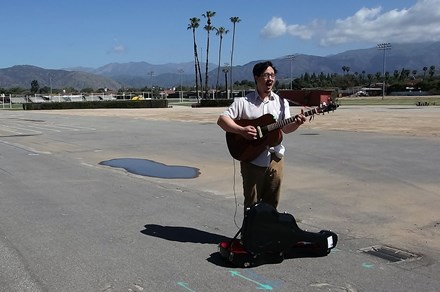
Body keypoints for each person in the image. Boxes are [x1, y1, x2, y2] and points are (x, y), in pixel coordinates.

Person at [217, 61, 306, 210]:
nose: (270, 79)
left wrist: (297, 123)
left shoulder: (281, 102)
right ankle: (249, 233)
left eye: (272, 75)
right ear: (256, 77)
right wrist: (241, 130)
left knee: (272, 203)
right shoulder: (243, 102)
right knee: (252, 203)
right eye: (266, 75)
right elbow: (222, 120)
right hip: (251, 158)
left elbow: (285, 129)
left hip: (275, 158)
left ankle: (267, 232)